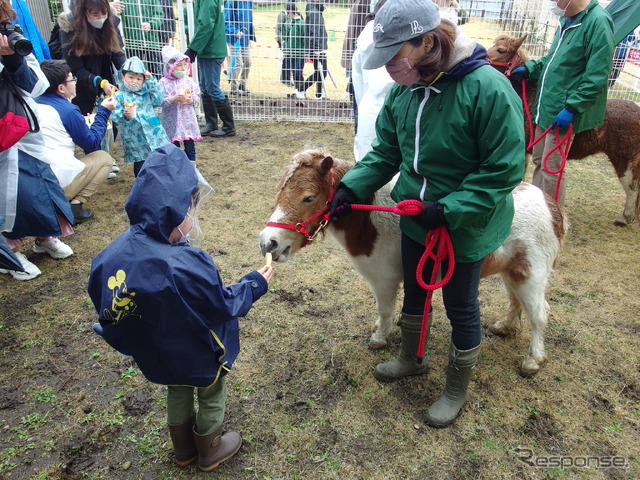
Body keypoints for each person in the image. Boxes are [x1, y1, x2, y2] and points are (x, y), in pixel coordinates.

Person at [329, 0, 524, 427]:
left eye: (395, 57)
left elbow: (502, 170)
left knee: (461, 305)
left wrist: (450, 209)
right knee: (416, 291)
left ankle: (456, 388)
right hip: (416, 215)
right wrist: (351, 185)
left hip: (466, 224)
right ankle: (411, 357)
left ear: (427, 42)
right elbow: (386, 151)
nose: (388, 70)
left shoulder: (488, 90)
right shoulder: (407, 89)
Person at [87, 144, 274, 471]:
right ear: (174, 211)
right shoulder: (186, 264)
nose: (193, 216)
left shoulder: (110, 256)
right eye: (190, 208)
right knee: (211, 391)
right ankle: (210, 448)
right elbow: (223, 305)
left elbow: (109, 310)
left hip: (161, 353)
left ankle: (183, 449)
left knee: (177, 388)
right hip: (198, 350)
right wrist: (255, 283)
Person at [510, 0, 613, 207]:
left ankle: (552, 219)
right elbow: (552, 61)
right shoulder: (566, 19)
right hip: (545, 106)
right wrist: (530, 69)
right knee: (540, 161)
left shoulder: (598, 22)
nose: (552, 2)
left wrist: (573, 107)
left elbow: (598, 73)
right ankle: (537, 208)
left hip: (563, 110)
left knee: (552, 168)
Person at [0, 1, 75, 281]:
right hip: (2, 130)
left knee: (40, 182)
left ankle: (44, 237)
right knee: (8, 190)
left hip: (23, 125)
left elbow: (36, 85)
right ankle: (9, 250)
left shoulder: (12, 32)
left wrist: (13, 58)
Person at [36, 60, 116, 224]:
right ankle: (75, 204)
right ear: (61, 88)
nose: (75, 83)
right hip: (54, 185)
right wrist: (103, 111)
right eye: (72, 79)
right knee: (104, 158)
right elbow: (91, 143)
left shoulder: (32, 102)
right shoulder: (67, 110)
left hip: (32, 182)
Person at [57, 0, 126, 116]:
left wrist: (130, 70)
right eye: (95, 14)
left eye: (104, 13)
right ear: (83, 12)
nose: (101, 18)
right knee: (87, 123)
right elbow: (75, 68)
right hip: (80, 86)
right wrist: (101, 83)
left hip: (106, 79)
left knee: (110, 123)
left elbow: (117, 53)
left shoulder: (110, 22)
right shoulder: (69, 28)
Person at [111, 56, 170, 177]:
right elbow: (114, 113)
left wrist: (151, 81)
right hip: (134, 136)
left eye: (139, 79)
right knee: (140, 163)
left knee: (159, 159)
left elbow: (159, 99)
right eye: (131, 77)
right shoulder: (119, 96)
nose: (134, 81)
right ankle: (141, 186)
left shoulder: (147, 93)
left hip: (154, 134)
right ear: (123, 77)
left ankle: (161, 182)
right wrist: (123, 113)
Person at [185, 0, 236, 137]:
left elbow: (206, 25)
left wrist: (193, 48)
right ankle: (211, 123)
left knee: (212, 87)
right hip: (208, 48)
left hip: (211, 49)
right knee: (205, 87)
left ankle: (228, 126)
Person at [351, 0, 392, 161]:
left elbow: (359, 86)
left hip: (368, 110)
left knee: (367, 158)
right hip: (385, 113)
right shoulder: (391, 43)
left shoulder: (363, 43)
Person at [159, 45, 202, 165]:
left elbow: (196, 95)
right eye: (179, 64)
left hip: (187, 120)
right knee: (174, 147)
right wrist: (173, 99)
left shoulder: (188, 81)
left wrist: (191, 100)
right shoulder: (163, 83)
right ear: (170, 65)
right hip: (172, 121)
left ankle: (191, 168)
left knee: (189, 145)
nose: (183, 68)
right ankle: (177, 167)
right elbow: (161, 101)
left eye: (184, 64)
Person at [119, 0, 164, 77]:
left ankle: (156, 88)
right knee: (134, 71)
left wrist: (151, 24)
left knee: (156, 72)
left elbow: (159, 15)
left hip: (151, 42)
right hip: (132, 42)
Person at [224, 0, 255, 96]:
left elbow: (250, 21)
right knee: (237, 63)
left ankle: (243, 84)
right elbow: (226, 21)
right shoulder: (231, 2)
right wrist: (235, 31)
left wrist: (250, 37)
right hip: (234, 39)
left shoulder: (248, 2)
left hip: (245, 39)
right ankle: (234, 88)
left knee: (248, 61)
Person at [301, 0, 328, 99]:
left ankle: (318, 94)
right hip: (317, 49)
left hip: (318, 47)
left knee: (320, 71)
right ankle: (301, 89)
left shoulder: (315, 10)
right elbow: (314, 32)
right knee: (321, 72)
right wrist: (316, 49)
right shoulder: (314, 12)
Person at [282, 2, 305, 99]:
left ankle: (302, 90)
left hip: (299, 53)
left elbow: (304, 37)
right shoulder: (287, 23)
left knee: (297, 72)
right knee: (293, 72)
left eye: (287, 12)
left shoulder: (301, 23)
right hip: (290, 53)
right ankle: (297, 89)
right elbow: (285, 37)